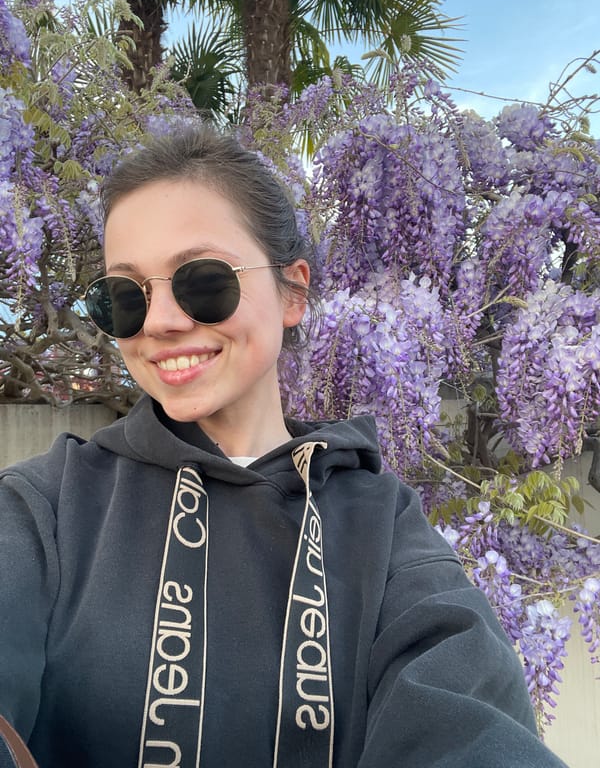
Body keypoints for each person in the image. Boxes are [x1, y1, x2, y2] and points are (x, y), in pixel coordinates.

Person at [0, 126, 568, 768]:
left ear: (293, 290)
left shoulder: (381, 526)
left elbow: (473, 727)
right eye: (126, 296)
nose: (158, 322)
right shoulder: (45, 506)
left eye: (202, 281)